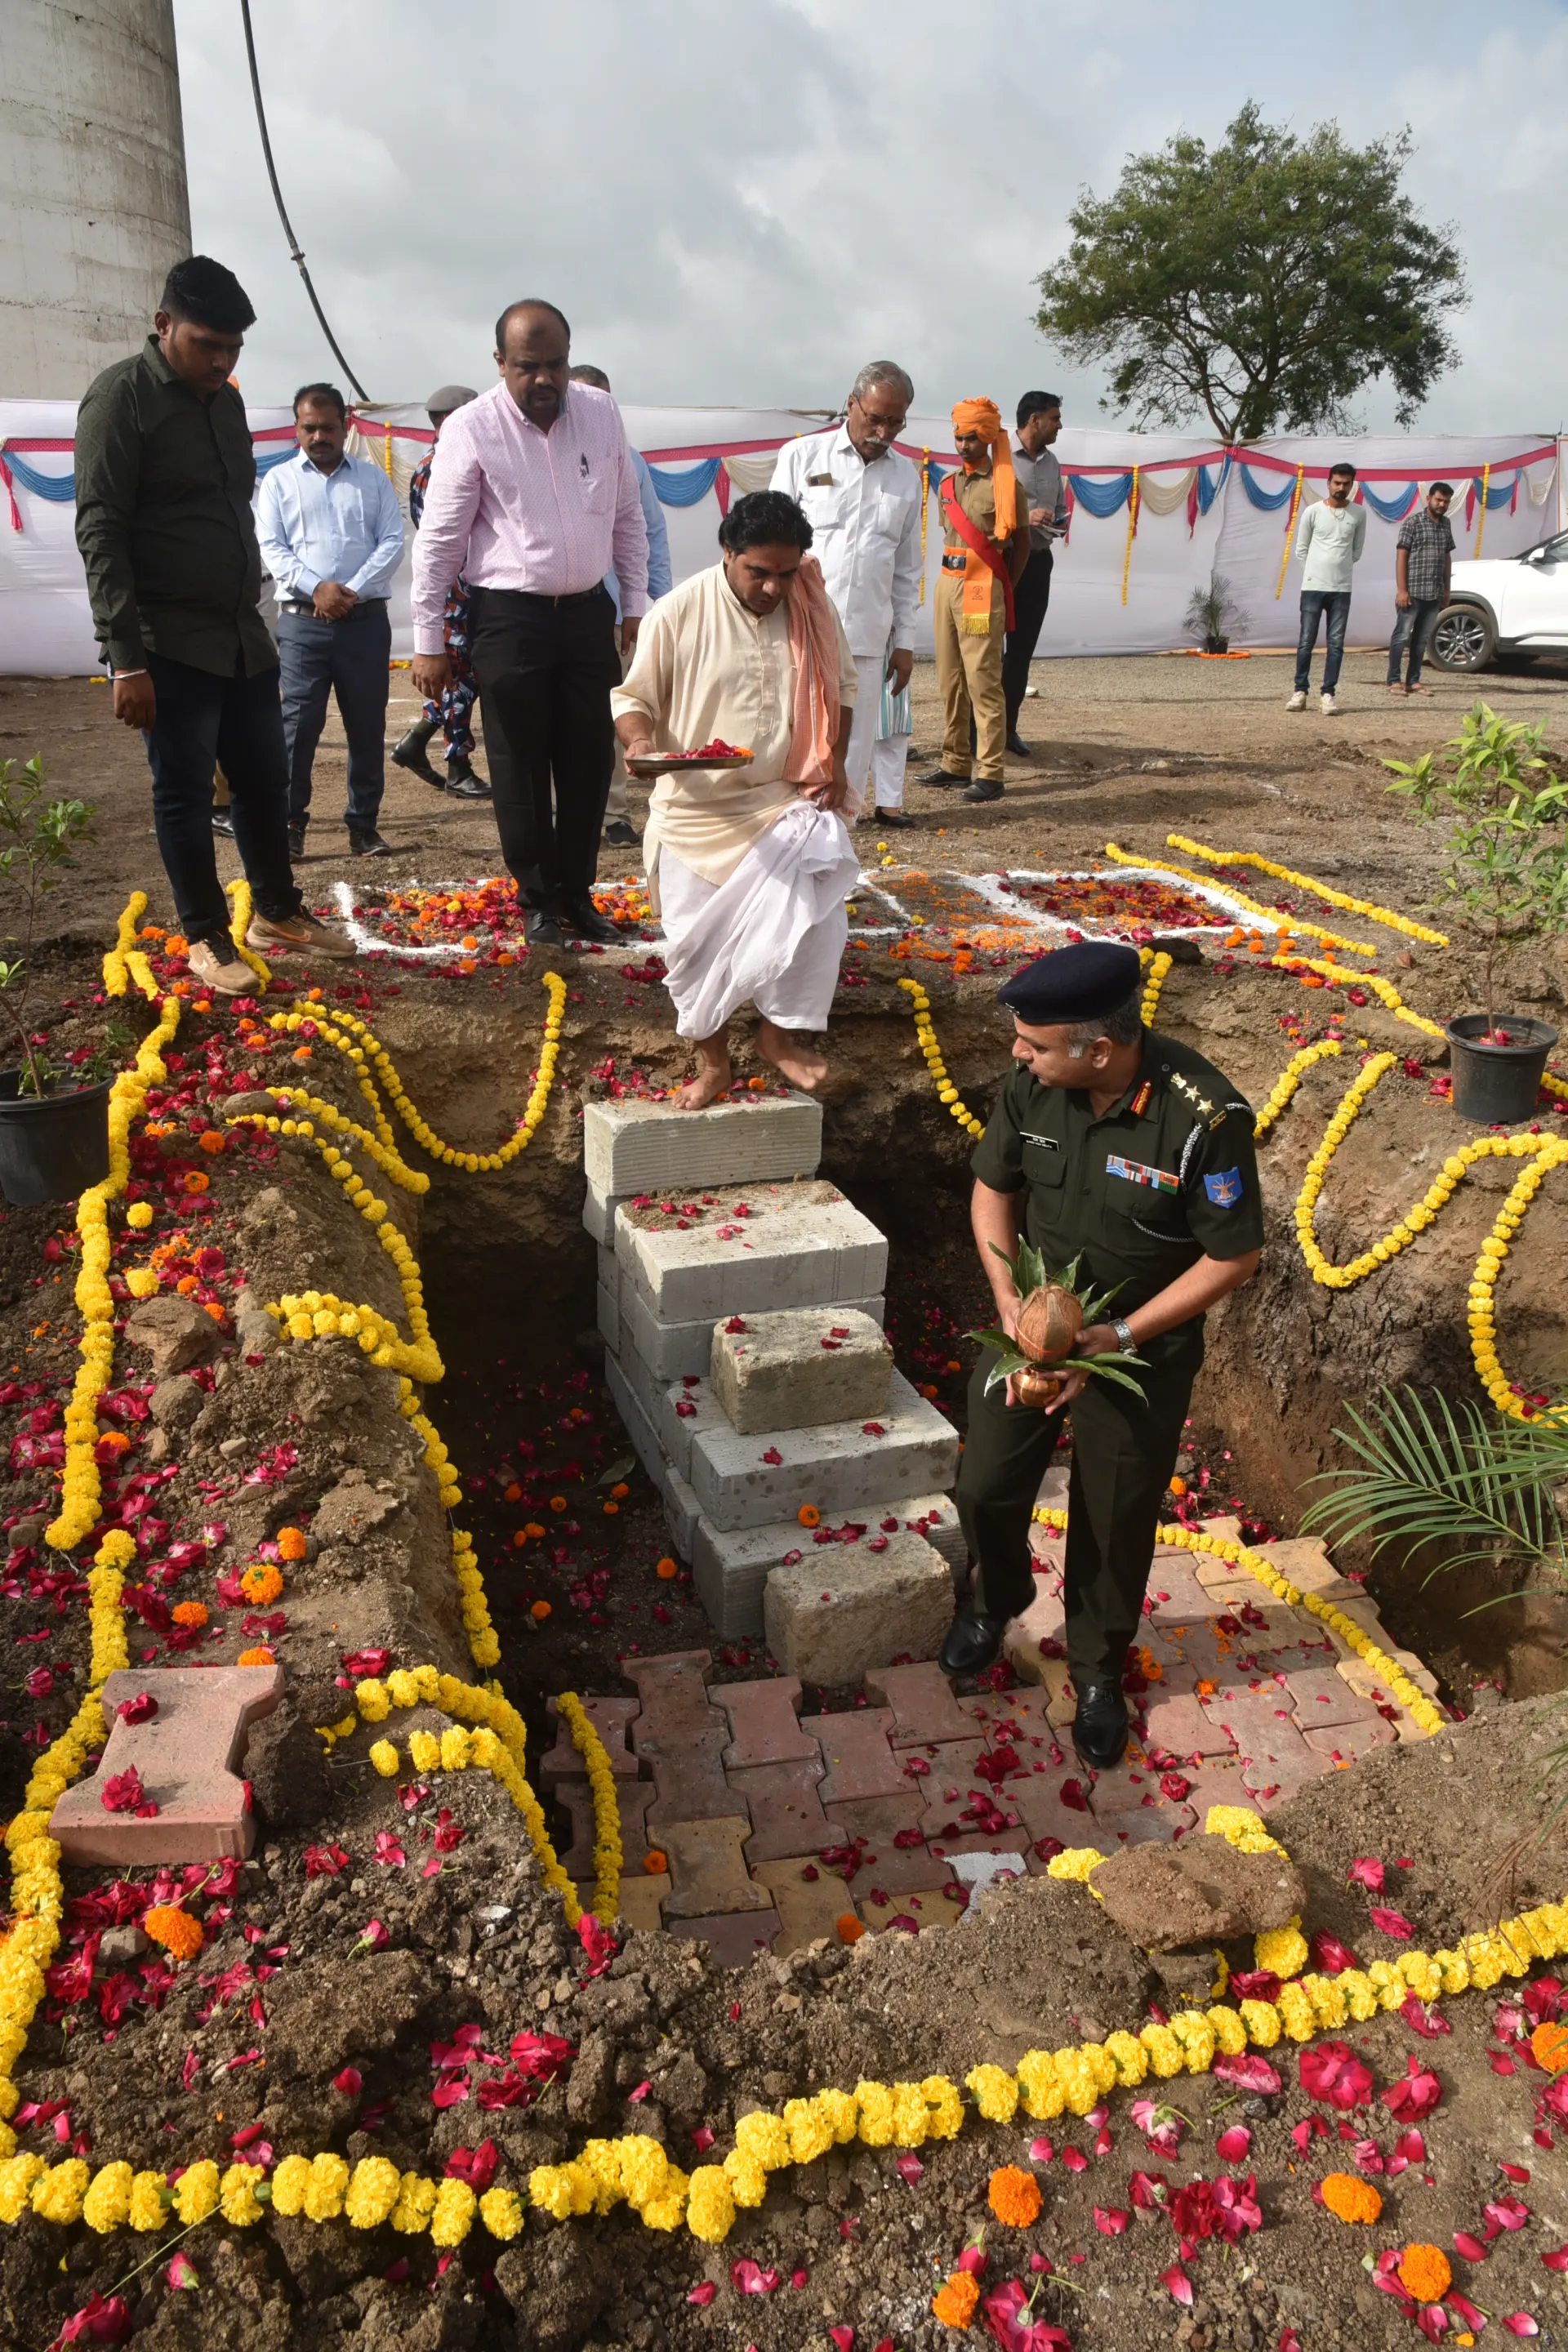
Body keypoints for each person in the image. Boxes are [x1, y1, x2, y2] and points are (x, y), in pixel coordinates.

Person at [942, 941, 1263, 1767]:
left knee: (1115, 1515)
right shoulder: (1033, 1086)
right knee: (983, 1484)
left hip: (1138, 1347)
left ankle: (1095, 1668)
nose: (1019, 1054)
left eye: (1036, 1044)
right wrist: (1013, 1301)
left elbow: (1232, 1257)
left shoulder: (1203, 1118)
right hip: (1035, 1328)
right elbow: (993, 1189)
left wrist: (1115, 1339)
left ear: (1100, 1050)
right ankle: (998, 1598)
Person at [74, 255, 353, 994]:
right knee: (185, 791)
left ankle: (276, 913)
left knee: (265, 780)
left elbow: (233, 512)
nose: (222, 361)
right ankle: (204, 935)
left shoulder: (223, 403)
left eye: (234, 349)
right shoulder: (119, 401)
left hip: (242, 633)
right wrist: (124, 658)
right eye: (207, 344)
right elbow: (101, 532)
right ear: (164, 324)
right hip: (168, 644)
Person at [409, 299, 648, 951]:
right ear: (499, 363)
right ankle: (538, 900)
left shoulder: (600, 413)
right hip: (509, 621)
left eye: (556, 365)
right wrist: (428, 643)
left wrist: (634, 605)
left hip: (588, 618)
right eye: (527, 367)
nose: (545, 380)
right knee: (519, 768)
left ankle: (577, 894)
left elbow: (626, 515)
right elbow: (438, 544)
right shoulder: (472, 427)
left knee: (586, 765)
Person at [611, 490, 858, 1109]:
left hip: (780, 800)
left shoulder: (810, 602)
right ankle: (713, 1064)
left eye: (786, 572)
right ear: (728, 553)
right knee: (696, 948)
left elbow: (844, 687)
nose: (775, 588)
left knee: (820, 918)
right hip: (695, 809)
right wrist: (640, 744)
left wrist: (833, 762)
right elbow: (632, 698)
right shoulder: (677, 611)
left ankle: (778, 1037)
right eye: (760, 573)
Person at [256, 382, 405, 861]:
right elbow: (272, 548)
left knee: (366, 724)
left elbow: (391, 541)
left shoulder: (373, 479)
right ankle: (289, 823)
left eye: (328, 427)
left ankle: (363, 826)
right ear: (297, 428)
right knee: (298, 726)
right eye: (309, 427)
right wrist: (317, 588)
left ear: (345, 427)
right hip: (303, 624)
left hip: (363, 622)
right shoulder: (279, 482)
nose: (319, 435)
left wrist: (350, 591)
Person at [771, 362, 922, 831]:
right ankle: (784, 854)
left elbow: (906, 569)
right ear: (851, 404)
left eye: (895, 422)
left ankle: (835, 862)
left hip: (866, 638)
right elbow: (768, 538)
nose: (883, 431)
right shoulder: (802, 457)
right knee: (791, 740)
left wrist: (906, 642)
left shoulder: (906, 477)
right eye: (875, 417)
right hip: (798, 628)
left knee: (852, 754)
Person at [568, 363, 672, 849]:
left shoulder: (630, 459)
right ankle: (560, 811)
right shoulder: (540, 454)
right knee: (559, 717)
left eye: (603, 402)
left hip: (614, 613)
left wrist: (658, 601)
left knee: (618, 713)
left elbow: (650, 530)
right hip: (554, 611)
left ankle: (612, 812)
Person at [920, 399, 1031, 803]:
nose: (963, 444)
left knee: (983, 680)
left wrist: (1005, 585)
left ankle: (991, 772)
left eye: (971, 437)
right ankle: (954, 762)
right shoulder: (946, 485)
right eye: (959, 436)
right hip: (947, 584)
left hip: (983, 587)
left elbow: (1022, 546)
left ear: (987, 437)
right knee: (949, 679)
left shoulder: (1006, 487)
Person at [394, 385, 492, 800]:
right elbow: (443, 540)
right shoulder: (438, 468)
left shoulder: (438, 463)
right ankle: (457, 766)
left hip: (467, 587)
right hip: (454, 588)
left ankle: (416, 743)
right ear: (449, 420)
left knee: (467, 675)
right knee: (460, 678)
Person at [1003, 391, 1067, 755]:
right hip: (1005, 563)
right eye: (1055, 418)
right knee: (987, 651)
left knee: (1021, 653)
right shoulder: (999, 459)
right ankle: (978, 734)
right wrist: (1025, 518)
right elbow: (986, 511)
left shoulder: (1053, 461)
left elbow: (1058, 507)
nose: (1059, 425)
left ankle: (1008, 729)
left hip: (1039, 562)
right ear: (1034, 420)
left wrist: (1058, 521)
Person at [1287, 463, 1365, 716]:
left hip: (1341, 589)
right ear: (1328, 483)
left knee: (1336, 644)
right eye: (1337, 483)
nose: (1341, 488)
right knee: (1305, 642)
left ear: (1352, 485)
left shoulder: (1359, 514)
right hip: (1312, 588)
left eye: (1346, 484)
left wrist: (1337, 571)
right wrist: (1315, 573)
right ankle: (1300, 692)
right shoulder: (1312, 512)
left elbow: (1356, 552)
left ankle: (1328, 694)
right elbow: (1301, 549)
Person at [1388, 482, 1454, 698]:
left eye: (1445, 501)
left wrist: (1446, 590)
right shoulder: (1413, 522)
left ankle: (1414, 681)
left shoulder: (1446, 524)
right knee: (1401, 636)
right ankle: (1394, 680)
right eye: (1438, 500)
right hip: (1412, 592)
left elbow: (1447, 556)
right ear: (1429, 499)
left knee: (1421, 641)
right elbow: (1401, 555)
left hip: (1434, 593)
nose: (1442, 504)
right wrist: (1402, 590)